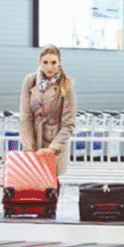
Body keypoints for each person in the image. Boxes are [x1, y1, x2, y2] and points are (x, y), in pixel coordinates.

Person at [19, 45, 77, 176]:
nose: (49, 67)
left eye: (53, 62)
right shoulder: (30, 81)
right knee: (32, 187)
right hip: (33, 141)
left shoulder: (65, 85)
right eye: (45, 62)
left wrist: (52, 148)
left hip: (54, 145)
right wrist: (28, 146)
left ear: (59, 63)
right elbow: (25, 116)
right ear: (40, 62)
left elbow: (68, 123)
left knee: (50, 185)